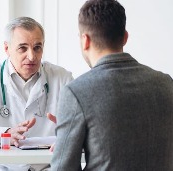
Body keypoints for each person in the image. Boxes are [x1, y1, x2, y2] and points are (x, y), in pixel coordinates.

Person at [50, 0, 173, 170]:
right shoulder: (166, 84)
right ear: (125, 37)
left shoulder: (76, 92)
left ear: (85, 40)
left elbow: (62, 168)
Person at [0, 16, 73, 171]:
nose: (32, 56)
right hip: (1, 167)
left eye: (37, 47)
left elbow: (81, 128)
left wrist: (69, 130)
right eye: (23, 48)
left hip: (47, 166)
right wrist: (5, 134)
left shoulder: (62, 78)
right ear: (7, 48)